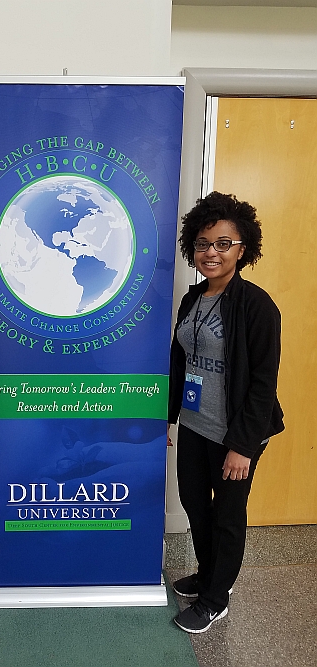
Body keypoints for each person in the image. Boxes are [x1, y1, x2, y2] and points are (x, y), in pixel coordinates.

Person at [168, 191, 284, 633]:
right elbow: (181, 362)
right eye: (202, 243)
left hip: (236, 431)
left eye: (222, 243)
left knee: (228, 516)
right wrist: (169, 416)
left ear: (243, 248)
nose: (210, 252)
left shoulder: (256, 305)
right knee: (197, 506)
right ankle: (208, 573)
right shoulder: (193, 300)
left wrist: (242, 446)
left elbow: (262, 384)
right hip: (196, 424)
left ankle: (217, 597)